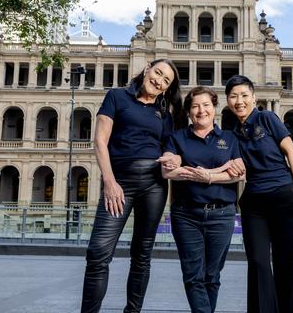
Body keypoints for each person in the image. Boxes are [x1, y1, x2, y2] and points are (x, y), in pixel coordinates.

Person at [81, 59, 184, 313]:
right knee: (98, 253)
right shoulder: (117, 97)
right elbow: (100, 141)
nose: (159, 80)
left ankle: (132, 311)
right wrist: (110, 182)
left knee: (142, 254)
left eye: (166, 81)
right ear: (147, 68)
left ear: (167, 88)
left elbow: (170, 149)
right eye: (158, 72)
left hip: (154, 186)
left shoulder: (165, 114)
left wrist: (176, 158)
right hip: (119, 182)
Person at [161, 86, 246, 313]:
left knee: (212, 276)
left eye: (206, 105)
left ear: (214, 108)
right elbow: (168, 172)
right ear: (189, 111)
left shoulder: (229, 138)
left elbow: (239, 175)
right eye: (195, 106)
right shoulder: (176, 138)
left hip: (222, 214)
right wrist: (222, 170)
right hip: (186, 214)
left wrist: (207, 176)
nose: (201, 111)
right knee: (193, 276)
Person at [225, 75, 293, 313]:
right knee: (258, 262)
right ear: (228, 101)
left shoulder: (267, 118)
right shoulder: (232, 134)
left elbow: (290, 151)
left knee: (285, 263)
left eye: (244, 95)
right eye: (233, 96)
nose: (239, 101)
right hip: (254, 203)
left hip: (284, 196)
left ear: (253, 97)